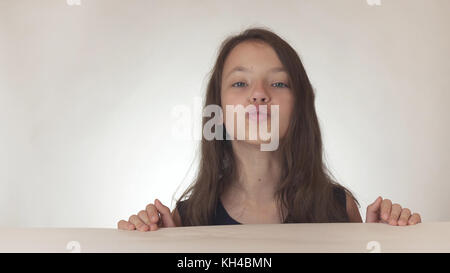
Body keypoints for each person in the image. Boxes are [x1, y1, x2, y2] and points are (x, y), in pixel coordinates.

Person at [117, 27, 422, 232]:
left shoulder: (339, 209)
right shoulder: (187, 218)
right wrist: (162, 249)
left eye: (278, 83)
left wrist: (379, 245)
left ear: (299, 107)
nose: (259, 94)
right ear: (218, 110)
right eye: (240, 83)